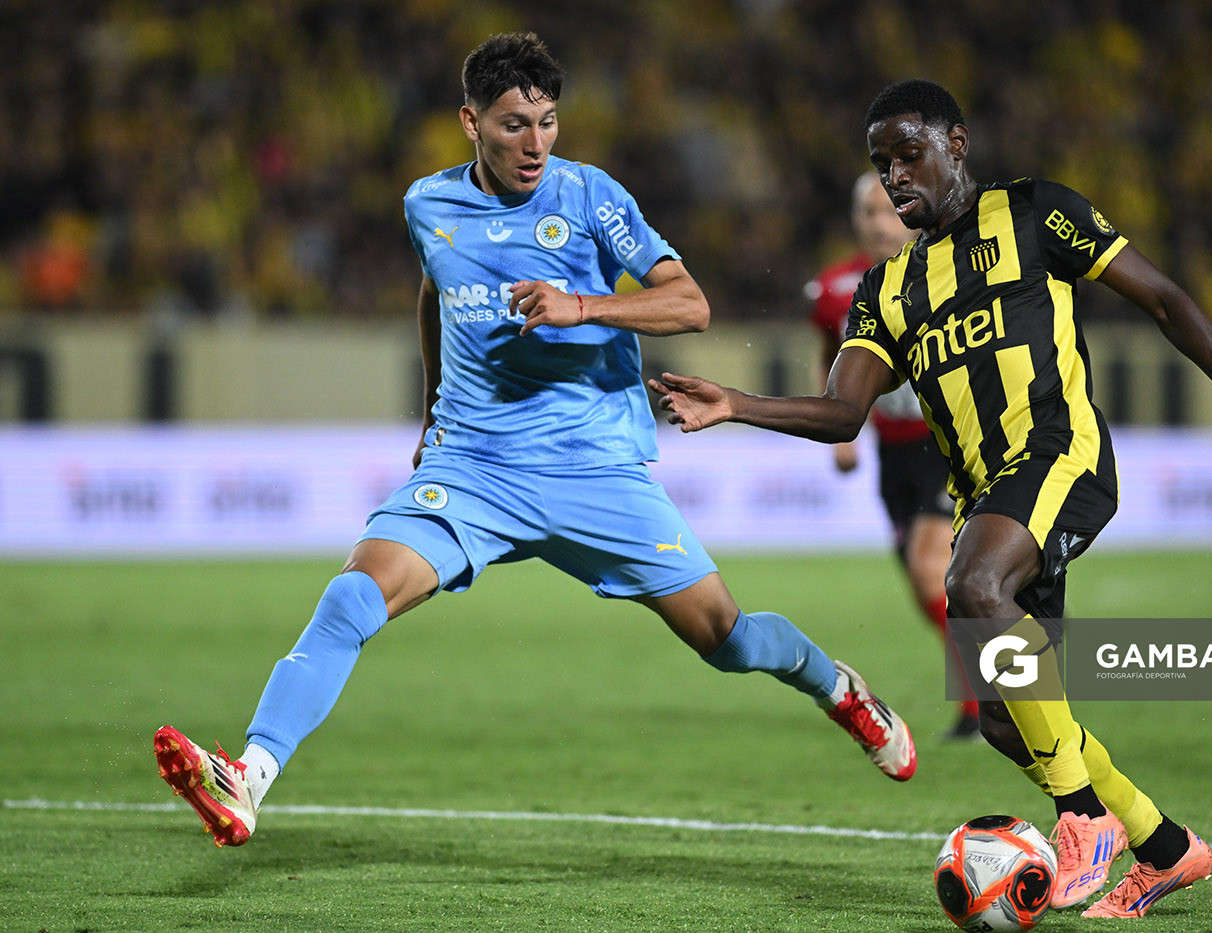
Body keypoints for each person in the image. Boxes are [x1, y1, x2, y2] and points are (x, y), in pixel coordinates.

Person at [153, 32, 916, 849]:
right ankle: (251, 776)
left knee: (725, 638)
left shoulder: (590, 198)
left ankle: (835, 686)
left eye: (548, 122)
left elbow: (689, 304)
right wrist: (430, 406)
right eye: (515, 124)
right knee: (350, 596)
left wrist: (579, 305)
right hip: (474, 466)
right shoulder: (427, 205)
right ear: (469, 123)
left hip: (594, 469)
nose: (536, 144)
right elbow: (433, 291)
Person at [650, 78, 1212, 919]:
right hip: (984, 495)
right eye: (880, 165)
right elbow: (842, 412)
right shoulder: (887, 291)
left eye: (908, 154)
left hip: (1060, 456)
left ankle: (1082, 820)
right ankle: (1166, 847)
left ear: (954, 144)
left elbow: (1163, 298)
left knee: (971, 584)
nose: (895, 178)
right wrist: (736, 404)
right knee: (1010, 723)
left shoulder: (1037, 213)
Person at [807, 171, 977, 740]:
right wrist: (846, 433)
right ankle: (1016, 648)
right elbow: (831, 354)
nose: (880, 222)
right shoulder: (836, 287)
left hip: (949, 440)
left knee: (935, 570)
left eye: (889, 211)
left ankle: (990, 703)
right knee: (924, 579)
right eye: (868, 213)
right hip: (894, 450)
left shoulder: (949, 270)